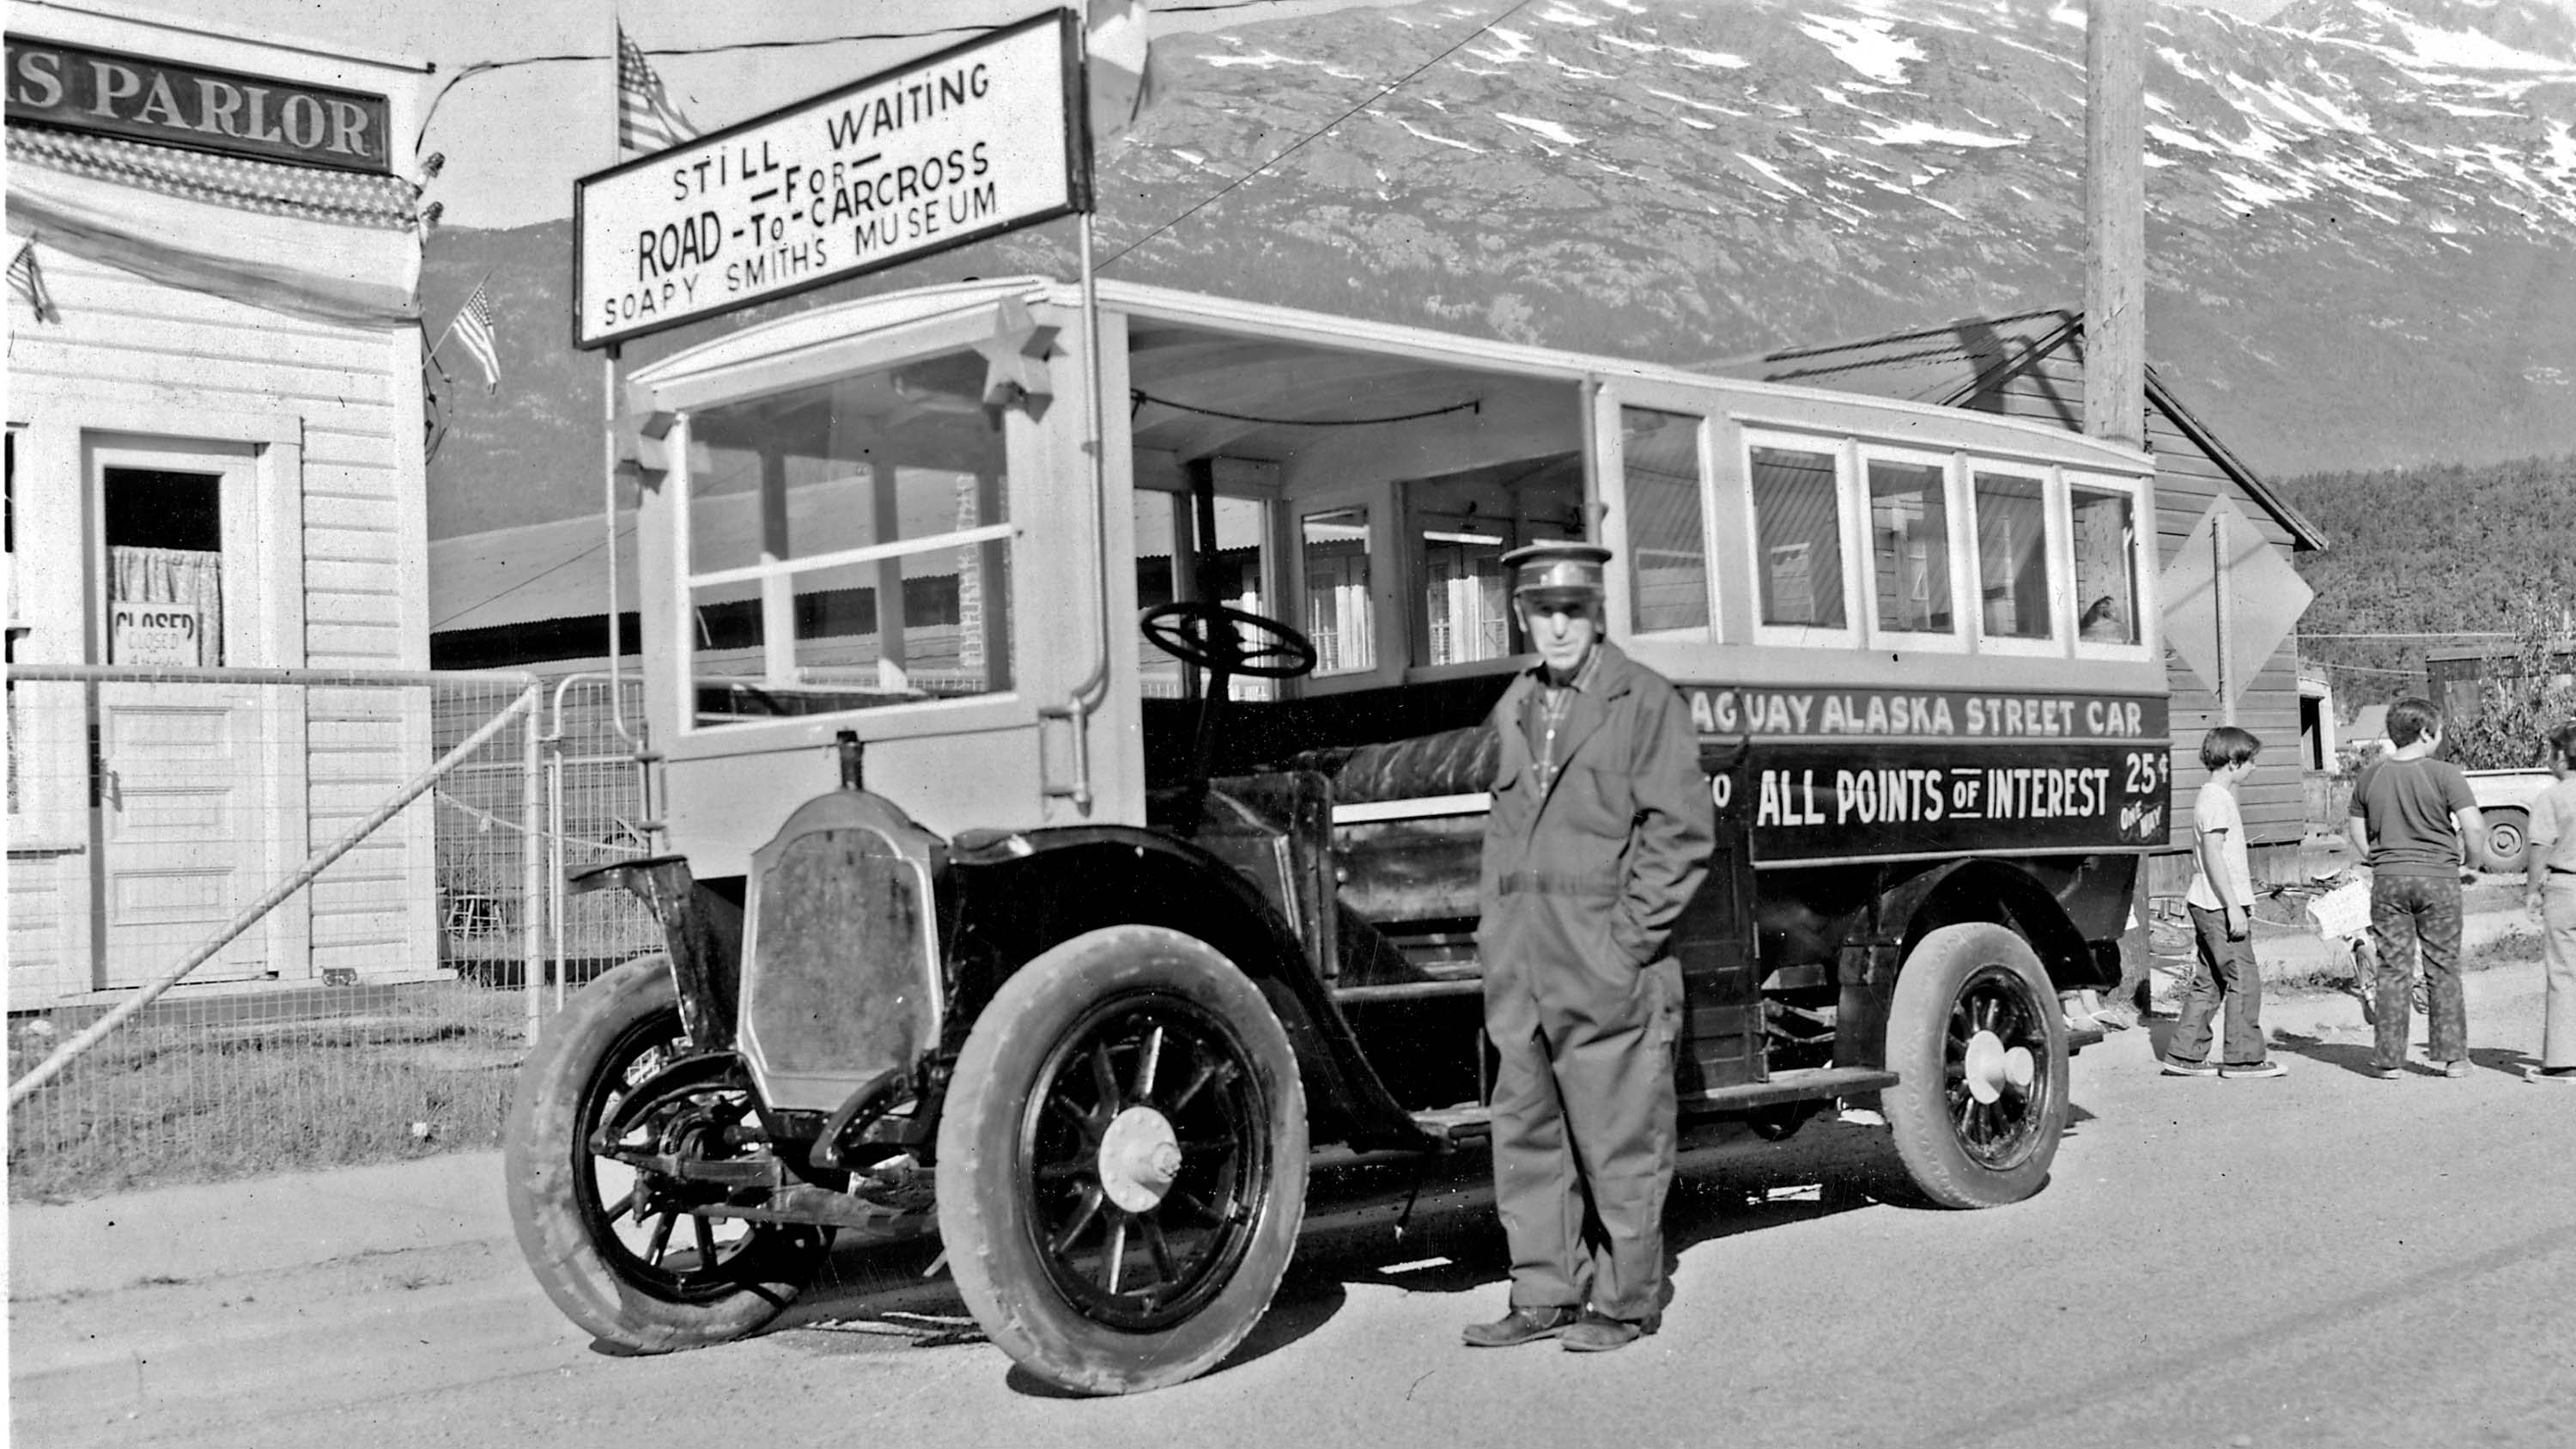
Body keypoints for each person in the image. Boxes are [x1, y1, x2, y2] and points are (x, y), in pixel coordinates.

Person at [1461, 541, 1714, 1355]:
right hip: (1523, 960)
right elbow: (1505, 833)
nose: (1559, 626)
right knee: (1526, 1123)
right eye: (1543, 611)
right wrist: (1493, 934)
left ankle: (1626, 1300)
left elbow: (1681, 834)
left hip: (1602, 957)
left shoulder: (1643, 701)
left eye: (1573, 610)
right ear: (1522, 614)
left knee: (1620, 1130)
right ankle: (1544, 1291)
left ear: (1597, 611)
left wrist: (1625, 945)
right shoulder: (1516, 705)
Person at [2345, 696, 2490, 1079]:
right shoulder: (2445, 774)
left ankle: (2389, 1060)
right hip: (2439, 881)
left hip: (2389, 881)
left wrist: (2376, 858)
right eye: (2438, 732)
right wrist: (2471, 864)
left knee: (2393, 968)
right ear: (2426, 733)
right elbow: (2474, 827)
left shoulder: (2370, 776)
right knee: (2442, 966)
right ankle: (2454, 1057)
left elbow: (2356, 828)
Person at [2160, 726, 2286, 1078]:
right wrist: (2233, 905)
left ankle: (2184, 1054)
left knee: (2210, 979)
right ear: (2233, 761)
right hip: (2217, 905)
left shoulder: (2213, 796)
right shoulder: (2216, 800)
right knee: (2243, 978)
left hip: (2207, 901)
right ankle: (2244, 1058)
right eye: (2251, 761)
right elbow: (2214, 856)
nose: (2255, 768)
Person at [2523, 720, 2576, 1082]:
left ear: (2560, 755)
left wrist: (2530, 890)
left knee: (2563, 972)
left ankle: (2563, 1061)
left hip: (2566, 888)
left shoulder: (2552, 797)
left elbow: (2540, 846)